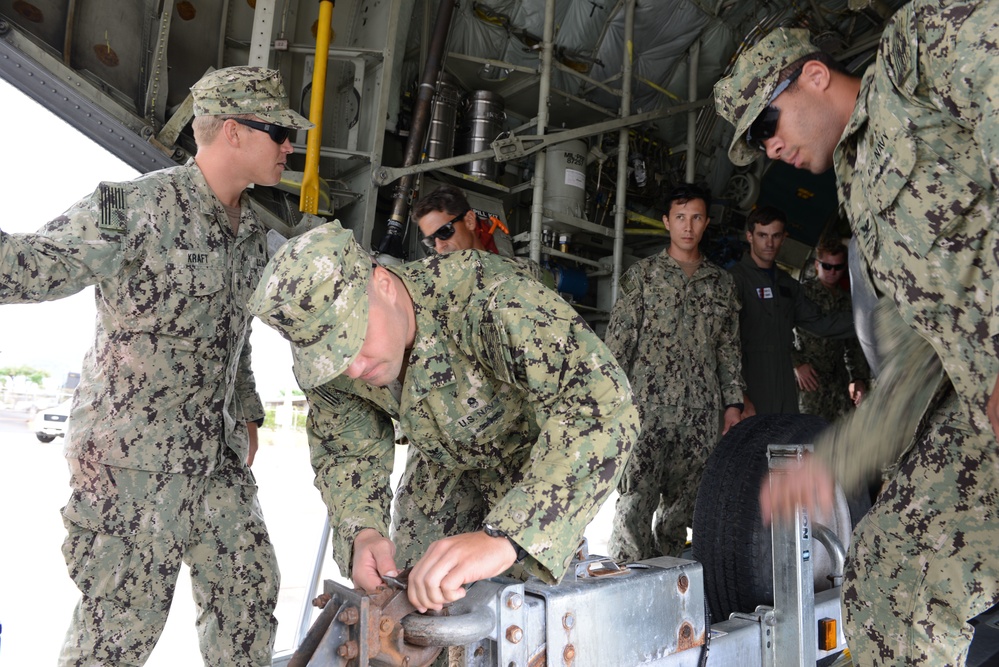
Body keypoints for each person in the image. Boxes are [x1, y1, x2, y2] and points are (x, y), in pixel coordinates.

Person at [714, 3, 999, 663]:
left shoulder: (916, 51)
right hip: (980, 408)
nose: (769, 147)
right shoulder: (864, 209)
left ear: (814, 75)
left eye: (765, 122)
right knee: (886, 575)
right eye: (757, 143)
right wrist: (832, 463)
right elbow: (914, 366)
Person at [0, 66, 313, 665]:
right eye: (278, 131)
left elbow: (235, 334)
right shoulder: (130, 205)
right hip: (130, 464)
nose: (289, 146)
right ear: (232, 132)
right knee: (119, 629)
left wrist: (245, 410)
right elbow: (31, 266)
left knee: (247, 593)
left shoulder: (249, 233)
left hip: (212, 459)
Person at [248, 221, 638, 614]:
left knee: (532, 620)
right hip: (440, 469)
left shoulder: (489, 298)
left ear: (382, 283)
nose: (351, 368)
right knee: (412, 605)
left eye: (353, 341)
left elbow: (601, 401)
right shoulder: (333, 363)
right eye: (332, 356)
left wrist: (509, 537)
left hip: (535, 471)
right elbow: (348, 448)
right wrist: (362, 530)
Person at [603, 183, 745, 561]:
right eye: (680, 217)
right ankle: (628, 582)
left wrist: (733, 403)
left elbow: (728, 348)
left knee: (684, 509)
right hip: (645, 410)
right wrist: (611, 407)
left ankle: (669, 579)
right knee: (635, 502)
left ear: (706, 223)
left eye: (696, 217)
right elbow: (618, 344)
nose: (688, 226)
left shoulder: (721, 284)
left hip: (699, 413)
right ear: (667, 222)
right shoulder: (643, 277)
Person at [728, 205, 855, 415]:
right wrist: (737, 397)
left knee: (785, 445)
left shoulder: (788, 285)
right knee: (747, 445)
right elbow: (721, 343)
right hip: (747, 383)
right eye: (762, 235)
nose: (769, 243)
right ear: (750, 236)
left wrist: (874, 321)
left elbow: (821, 323)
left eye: (776, 236)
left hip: (784, 383)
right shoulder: (733, 281)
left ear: (784, 238)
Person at [793, 237, 870, 422]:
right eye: (827, 266)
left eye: (838, 267)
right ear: (816, 265)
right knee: (805, 436)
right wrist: (796, 364)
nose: (832, 272)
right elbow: (778, 332)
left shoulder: (848, 301)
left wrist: (858, 378)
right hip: (808, 380)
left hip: (838, 382)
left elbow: (854, 344)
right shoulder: (802, 294)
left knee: (838, 437)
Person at [412, 184, 511, 256]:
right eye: (430, 241)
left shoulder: (514, 274)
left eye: (444, 231)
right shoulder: (433, 281)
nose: (440, 247)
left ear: (470, 221)